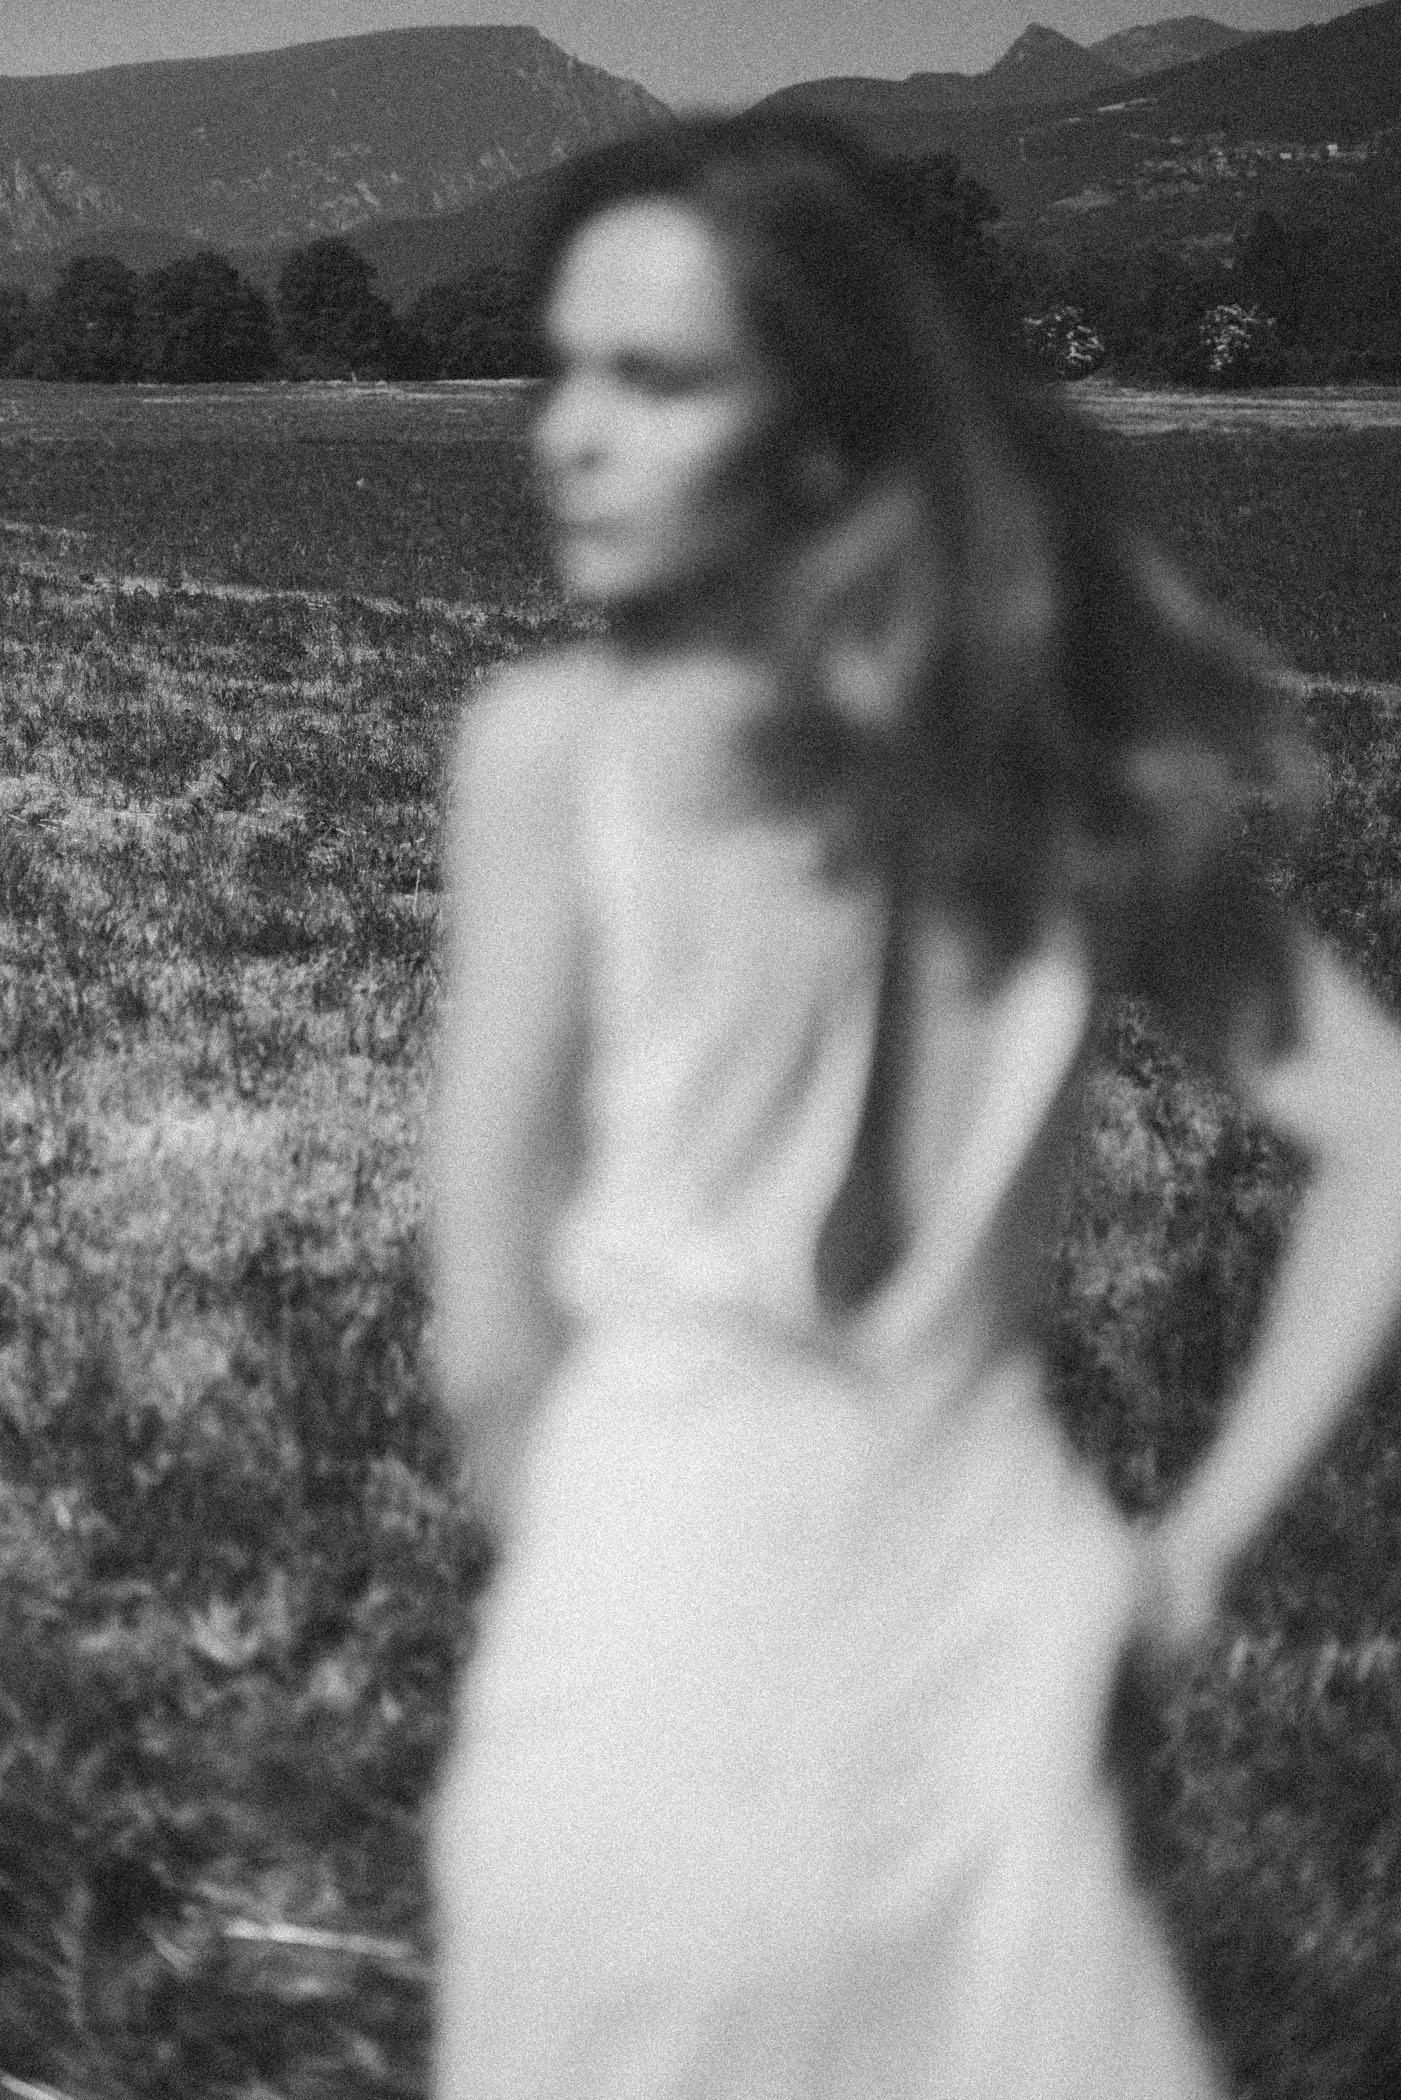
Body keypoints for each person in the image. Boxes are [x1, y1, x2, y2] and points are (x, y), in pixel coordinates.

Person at [425, 111, 1401, 2098]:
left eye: (659, 378)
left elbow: (489, 1348)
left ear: (820, 429)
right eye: (567, 369)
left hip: (645, 1626)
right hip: (991, 1631)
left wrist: (606, 1557)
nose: (568, 434)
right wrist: (1190, 1553)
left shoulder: (554, 757)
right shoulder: (1068, 772)